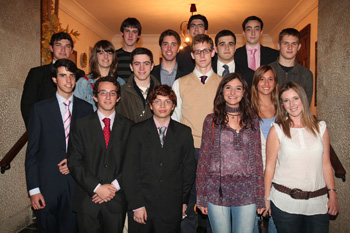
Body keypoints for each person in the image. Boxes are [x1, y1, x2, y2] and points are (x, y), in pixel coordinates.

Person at [25, 59, 93, 233]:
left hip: (75, 185)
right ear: (54, 79)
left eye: (72, 76)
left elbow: (90, 148)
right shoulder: (40, 109)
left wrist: (74, 163)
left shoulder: (86, 109)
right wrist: (34, 190)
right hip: (47, 186)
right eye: (63, 75)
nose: (68, 80)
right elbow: (32, 153)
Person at [264, 82, 339, 233]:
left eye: (295, 98)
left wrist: (332, 193)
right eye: (286, 100)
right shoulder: (277, 130)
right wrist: (266, 198)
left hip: (318, 203)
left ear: (303, 99)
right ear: (282, 105)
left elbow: (326, 164)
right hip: (285, 203)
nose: (291, 104)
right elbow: (270, 166)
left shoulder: (321, 128)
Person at [196, 73, 265, 233]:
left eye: (238, 88)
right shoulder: (211, 120)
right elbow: (204, 159)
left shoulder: (253, 120)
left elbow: (257, 159)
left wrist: (260, 196)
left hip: (247, 189)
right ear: (222, 91)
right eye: (228, 87)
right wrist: (201, 195)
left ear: (244, 93)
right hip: (217, 190)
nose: (233, 92)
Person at [123, 85, 196, 233]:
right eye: (157, 101)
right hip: (142, 208)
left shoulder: (184, 132)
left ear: (173, 106)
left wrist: (183, 201)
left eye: (167, 102)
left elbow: (188, 170)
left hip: (171, 206)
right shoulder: (137, 131)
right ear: (150, 105)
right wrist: (136, 205)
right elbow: (130, 171)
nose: (162, 106)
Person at [68, 76, 133, 233]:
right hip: (87, 200)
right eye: (103, 93)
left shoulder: (130, 127)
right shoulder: (81, 125)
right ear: (95, 96)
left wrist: (112, 188)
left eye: (112, 93)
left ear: (118, 98)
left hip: (116, 200)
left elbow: (133, 163)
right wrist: (97, 188)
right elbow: (74, 162)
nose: (108, 97)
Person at [172, 34, 221, 233]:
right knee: (186, 203)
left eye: (206, 50)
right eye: (198, 51)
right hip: (188, 151)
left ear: (213, 52)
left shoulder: (224, 84)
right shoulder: (180, 83)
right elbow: (174, 120)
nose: (202, 55)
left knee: (214, 206)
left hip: (215, 152)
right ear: (192, 55)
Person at [21, 32, 85, 128]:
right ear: (51, 48)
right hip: (45, 128)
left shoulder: (79, 74)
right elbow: (27, 106)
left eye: (67, 46)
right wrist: (35, 131)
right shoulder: (37, 73)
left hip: (73, 130)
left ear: (71, 50)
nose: (63, 49)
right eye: (58, 45)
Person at [251, 65, 279, 233]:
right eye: (262, 79)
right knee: (253, 220)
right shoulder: (248, 108)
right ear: (256, 83)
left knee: (277, 218)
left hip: (280, 171)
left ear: (275, 83)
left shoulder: (282, 107)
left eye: (270, 79)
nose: (266, 83)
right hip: (255, 171)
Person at [74, 40, 125, 111]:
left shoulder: (121, 82)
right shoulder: (83, 83)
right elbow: (76, 110)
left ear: (113, 57)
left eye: (109, 53)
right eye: (101, 53)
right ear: (95, 57)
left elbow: (123, 110)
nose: (106, 56)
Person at [270, 28, 313, 105]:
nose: (290, 47)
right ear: (279, 46)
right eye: (286, 43)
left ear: (299, 47)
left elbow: (306, 106)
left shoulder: (306, 74)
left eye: (294, 44)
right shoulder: (267, 71)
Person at [117, 47, 160, 123]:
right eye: (137, 64)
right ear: (131, 67)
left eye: (146, 63)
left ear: (152, 66)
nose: (142, 68)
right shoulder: (120, 93)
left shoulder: (162, 92)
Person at [116, 17, 142, 83]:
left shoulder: (144, 56)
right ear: (122, 33)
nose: (130, 35)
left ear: (138, 35)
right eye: (127, 31)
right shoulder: (113, 56)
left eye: (134, 32)